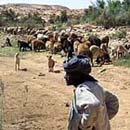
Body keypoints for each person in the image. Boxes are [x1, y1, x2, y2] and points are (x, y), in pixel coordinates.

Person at [63, 55, 119, 130]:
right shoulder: (96, 86)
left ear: (76, 75)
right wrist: (101, 119)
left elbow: (94, 105)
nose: (65, 77)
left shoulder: (82, 90)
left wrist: (85, 126)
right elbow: (113, 101)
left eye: (68, 74)